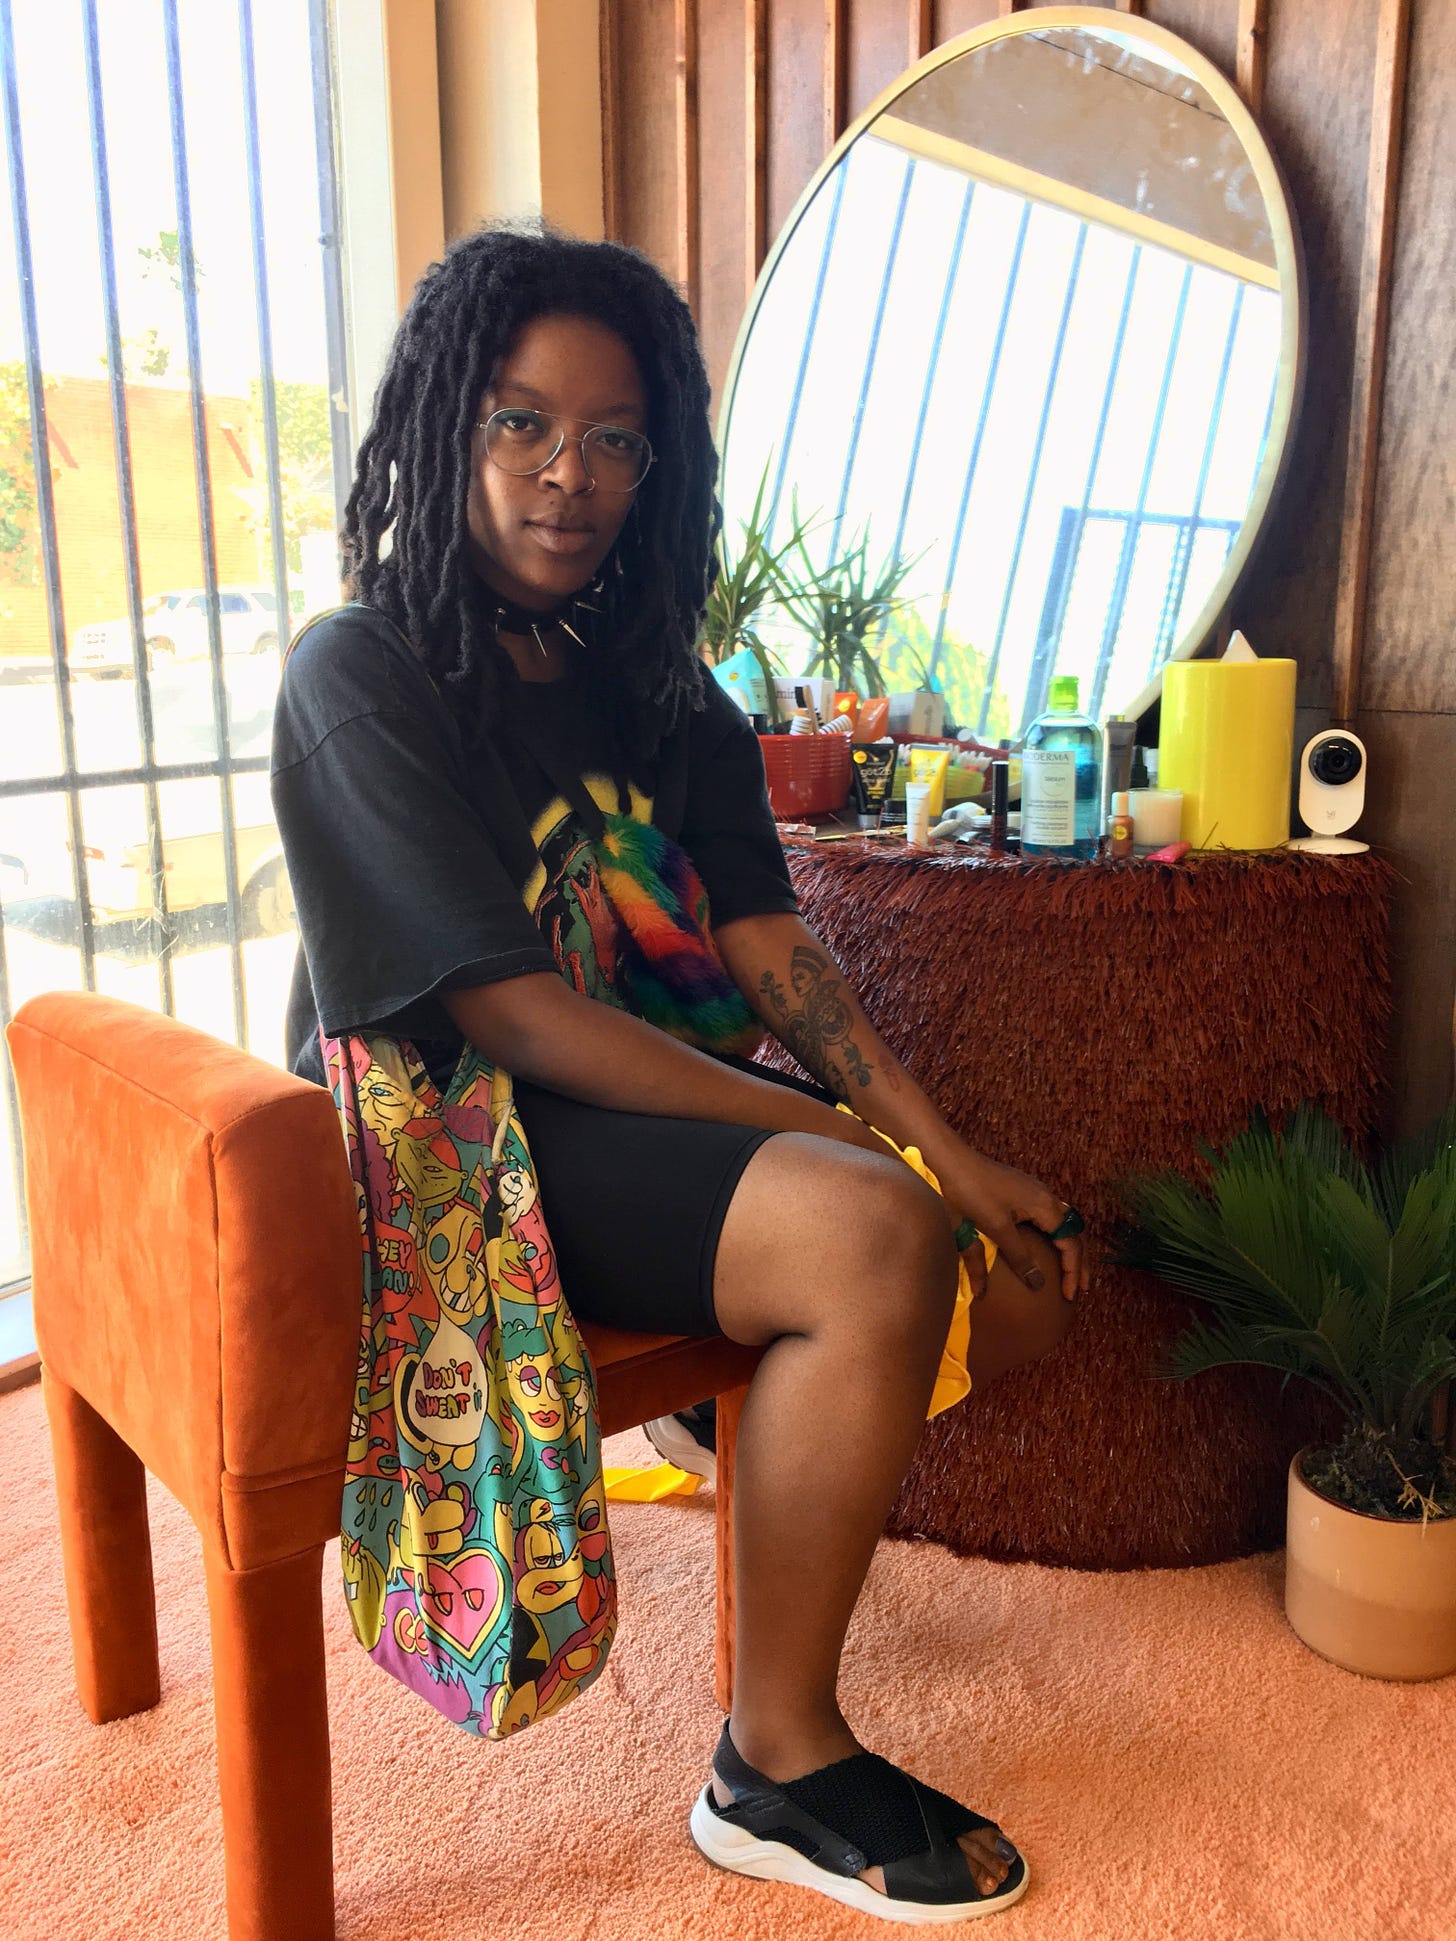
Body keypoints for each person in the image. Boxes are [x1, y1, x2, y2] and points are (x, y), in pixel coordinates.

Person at [270, 221, 1086, 1925]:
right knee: (873, 1239)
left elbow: (772, 951)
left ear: (661, 461)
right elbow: (509, 1018)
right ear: (444, 424)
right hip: (465, 1145)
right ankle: (774, 1762)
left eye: (614, 437)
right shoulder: (362, 674)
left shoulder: (664, 692)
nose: (568, 476)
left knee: (1020, 1275)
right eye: (519, 422)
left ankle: (764, 1421)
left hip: (632, 1116)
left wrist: (941, 1138)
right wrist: (833, 1147)